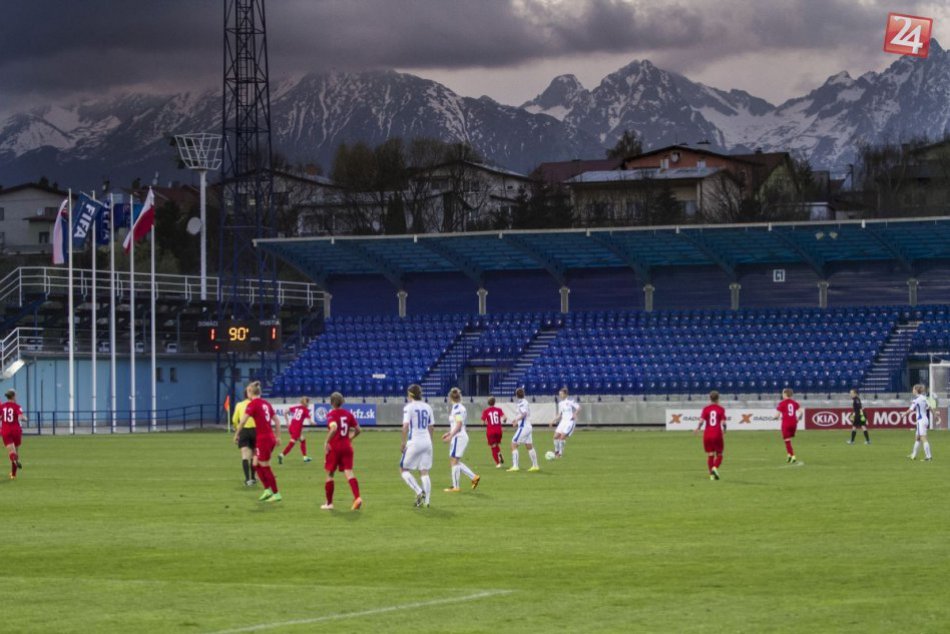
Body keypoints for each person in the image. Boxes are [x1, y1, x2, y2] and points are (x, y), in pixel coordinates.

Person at [234, 381, 283, 502]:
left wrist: (236, 434)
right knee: (255, 464)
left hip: (263, 439)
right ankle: (267, 490)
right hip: (269, 437)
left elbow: (242, 421)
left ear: (250, 392)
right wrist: (277, 437)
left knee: (265, 466)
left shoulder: (253, 404)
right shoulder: (266, 403)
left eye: (248, 391)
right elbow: (277, 421)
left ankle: (276, 494)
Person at [321, 392, 362, 511]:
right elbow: (359, 429)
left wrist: (326, 442)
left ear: (331, 403)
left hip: (335, 447)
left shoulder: (331, 414)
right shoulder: (348, 414)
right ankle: (357, 497)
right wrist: (351, 437)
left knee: (330, 474)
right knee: (349, 472)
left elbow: (333, 428)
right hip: (347, 446)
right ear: (342, 402)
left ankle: (329, 503)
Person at [400, 384, 434, 508]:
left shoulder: (409, 407)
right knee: (424, 471)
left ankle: (419, 492)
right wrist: (430, 442)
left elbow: (405, 426)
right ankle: (427, 501)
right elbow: (431, 427)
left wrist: (403, 442)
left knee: (403, 469)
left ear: (410, 395)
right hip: (427, 441)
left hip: (414, 441)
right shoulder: (427, 406)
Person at [441, 387, 480, 492]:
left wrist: (451, 436)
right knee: (454, 461)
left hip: (459, 437)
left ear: (450, 398)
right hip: (459, 435)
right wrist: (449, 433)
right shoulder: (460, 407)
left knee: (454, 461)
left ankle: (456, 486)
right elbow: (457, 425)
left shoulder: (457, 408)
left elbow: (458, 424)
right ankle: (474, 477)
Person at [694, 390, 726, 480]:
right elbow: (723, 422)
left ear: (710, 398)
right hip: (717, 433)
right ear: (718, 398)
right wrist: (725, 429)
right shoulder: (721, 409)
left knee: (710, 454)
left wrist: (698, 428)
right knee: (719, 454)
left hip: (707, 434)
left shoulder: (706, 409)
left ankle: (712, 475)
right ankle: (714, 468)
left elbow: (701, 421)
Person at [508, 387, 540, 472]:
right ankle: (535, 466)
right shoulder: (524, 402)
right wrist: (516, 420)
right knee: (529, 446)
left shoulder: (521, 403)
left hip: (523, 427)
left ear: (516, 395)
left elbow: (524, 414)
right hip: (528, 426)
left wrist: (516, 420)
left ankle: (515, 466)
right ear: (524, 394)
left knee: (513, 444)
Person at [231, 386, 256, 486]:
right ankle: (253, 478)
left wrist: (238, 430)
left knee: (245, 455)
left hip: (244, 430)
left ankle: (247, 479)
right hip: (255, 430)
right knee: (254, 455)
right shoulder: (255, 404)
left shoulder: (239, 405)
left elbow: (234, 420)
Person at [279, 396, 312, 464]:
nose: (308, 404)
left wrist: (287, 421)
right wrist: (315, 423)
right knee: (292, 444)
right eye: (308, 402)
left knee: (303, 440)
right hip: (296, 429)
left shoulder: (297, 407)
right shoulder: (305, 410)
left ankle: (305, 457)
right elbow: (310, 422)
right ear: (306, 403)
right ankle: (281, 455)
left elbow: (285, 411)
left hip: (291, 427)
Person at [1, 389, 26, 480]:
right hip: (16, 430)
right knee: (16, 451)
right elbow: (20, 416)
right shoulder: (17, 406)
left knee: (11, 452)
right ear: (14, 396)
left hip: (6, 430)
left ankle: (14, 459)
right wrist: (24, 418)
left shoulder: (3, 406)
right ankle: (13, 474)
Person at [549, 387, 580, 458]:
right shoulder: (560, 403)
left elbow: (578, 407)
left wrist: (575, 414)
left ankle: (560, 453)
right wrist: (553, 421)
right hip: (563, 421)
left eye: (561, 394)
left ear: (565, 394)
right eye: (559, 394)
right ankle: (556, 451)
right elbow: (559, 414)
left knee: (562, 438)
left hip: (570, 422)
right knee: (555, 436)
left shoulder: (570, 401)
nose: (560, 395)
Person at [775, 388, 802, 464]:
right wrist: (798, 419)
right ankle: (789, 455)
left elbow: (777, 415)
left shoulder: (782, 403)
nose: (782, 394)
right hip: (794, 424)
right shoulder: (795, 403)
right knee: (788, 439)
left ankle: (793, 456)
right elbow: (801, 412)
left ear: (785, 394)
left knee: (787, 441)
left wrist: (775, 418)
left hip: (786, 424)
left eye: (782, 393)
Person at [907, 383, 933, 461]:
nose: (912, 390)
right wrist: (935, 415)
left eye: (913, 389)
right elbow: (930, 407)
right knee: (917, 438)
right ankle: (913, 455)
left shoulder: (916, 400)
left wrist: (904, 414)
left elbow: (911, 410)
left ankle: (928, 457)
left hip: (920, 421)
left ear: (916, 390)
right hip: (925, 419)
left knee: (923, 438)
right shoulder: (925, 398)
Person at [481, 397, 507, 468]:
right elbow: (505, 418)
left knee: (493, 446)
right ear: (494, 402)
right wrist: (504, 421)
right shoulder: (499, 410)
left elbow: (482, 423)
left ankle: (498, 463)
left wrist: (486, 422)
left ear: (488, 403)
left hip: (491, 431)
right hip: (499, 430)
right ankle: (499, 454)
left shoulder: (486, 411)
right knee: (496, 444)